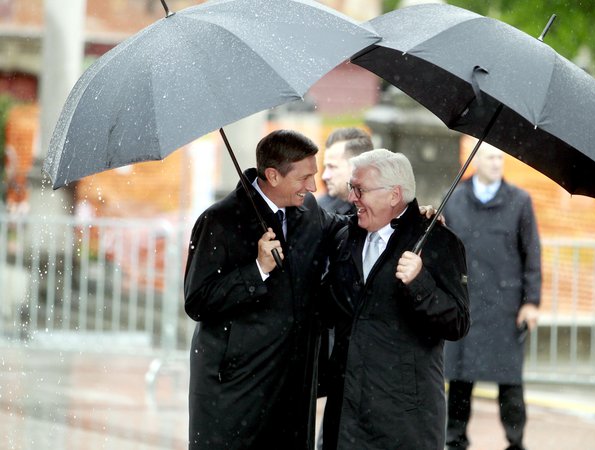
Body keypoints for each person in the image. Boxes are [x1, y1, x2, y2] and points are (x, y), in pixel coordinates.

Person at [184, 129, 345, 450]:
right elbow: (198, 301)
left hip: (292, 389)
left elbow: (345, 228)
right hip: (235, 390)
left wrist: (408, 219)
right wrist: (257, 270)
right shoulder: (219, 221)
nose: (313, 186)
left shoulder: (309, 211)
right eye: (304, 178)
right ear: (272, 174)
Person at [320, 148, 471, 450]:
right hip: (346, 415)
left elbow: (457, 322)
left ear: (393, 195)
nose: (352, 198)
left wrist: (420, 283)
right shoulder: (344, 236)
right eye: (352, 188)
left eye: (359, 189)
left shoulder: (438, 242)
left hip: (404, 420)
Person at [443, 145, 542, 450]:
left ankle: (516, 443)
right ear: (474, 161)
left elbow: (532, 255)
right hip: (466, 306)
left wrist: (531, 302)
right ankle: (455, 441)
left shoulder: (520, 201)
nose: (498, 163)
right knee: (459, 383)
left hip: (504, 307)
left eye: (501, 157)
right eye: (491, 157)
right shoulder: (455, 199)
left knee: (510, 384)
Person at [319, 127, 374, 214]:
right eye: (326, 167)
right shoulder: (324, 212)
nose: (324, 176)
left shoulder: (392, 213)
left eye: (332, 167)